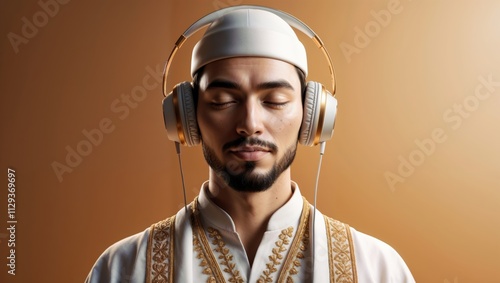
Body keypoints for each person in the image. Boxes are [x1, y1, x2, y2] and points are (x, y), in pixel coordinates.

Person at [85, 6, 415, 283]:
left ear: (312, 116)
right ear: (186, 116)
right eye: (223, 100)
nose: (249, 124)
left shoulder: (377, 268)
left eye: (274, 100)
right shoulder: (123, 268)